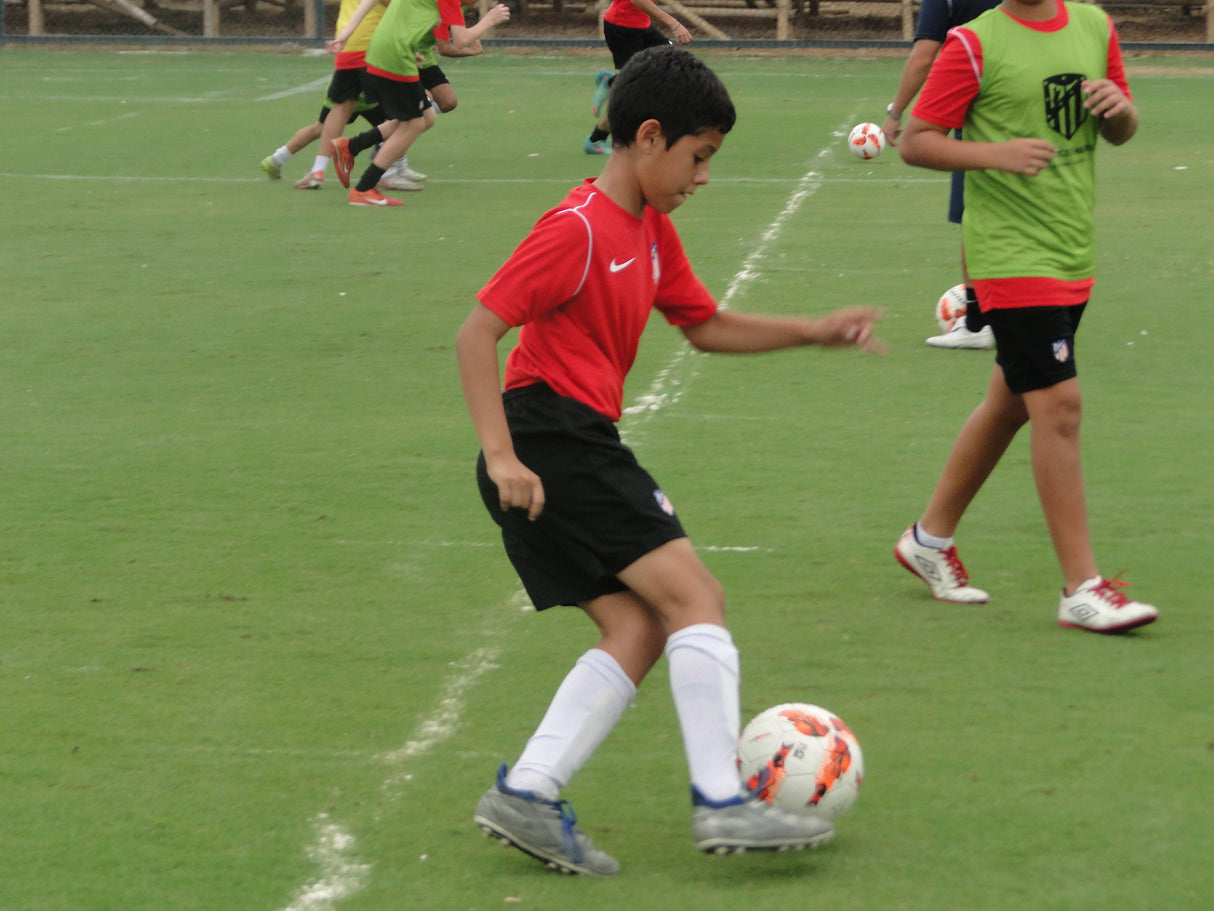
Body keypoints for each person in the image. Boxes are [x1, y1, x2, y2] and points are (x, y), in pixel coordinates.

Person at [456, 46, 884, 875]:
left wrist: (812, 328)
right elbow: (479, 329)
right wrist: (503, 454)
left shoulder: (648, 231)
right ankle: (723, 801)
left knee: (639, 624)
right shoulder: (577, 228)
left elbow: (703, 325)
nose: (703, 177)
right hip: (551, 442)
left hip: (568, 444)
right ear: (648, 137)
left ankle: (530, 791)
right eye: (699, 157)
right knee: (697, 597)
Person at [892, 0, 1158, 634]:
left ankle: (927, 540)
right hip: (1009, 256)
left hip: (1071, 251)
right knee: (1059, 406)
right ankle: (1082, 588)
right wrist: (996, 154)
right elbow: (916, 141)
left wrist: (1120, 113)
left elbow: (1122, 127)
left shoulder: (1094, 26)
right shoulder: (973, 44)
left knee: (1012, 402)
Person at [881, 0, 1001, 351]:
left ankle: (978, 323)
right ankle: (1033, 310)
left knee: (977, 216)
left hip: (981, 115)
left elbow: (924, 56)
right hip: (1033, 109)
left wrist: (895, 111)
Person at [328, 0, 510, 207]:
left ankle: (351, 146)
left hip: (390, 50)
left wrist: (345, 33)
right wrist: (489, 19)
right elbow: (460, 41)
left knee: (426, 116)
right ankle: (364, 189)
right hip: (396, 55)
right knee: (414, 124)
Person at [583, 0, 692, 155]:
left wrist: (616, 6)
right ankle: (596, 140)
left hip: (641, 25)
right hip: (623, 29)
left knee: (671, 62)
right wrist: (673, 23)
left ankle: (612, 81)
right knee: (634, 90)